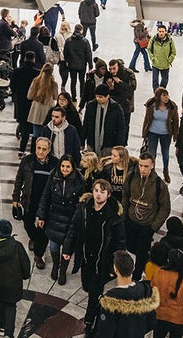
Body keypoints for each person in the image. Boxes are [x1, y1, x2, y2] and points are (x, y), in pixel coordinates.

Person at [63, 179, 126, 325]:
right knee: (86, 285)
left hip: (102, 261)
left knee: (94, 291)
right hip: (86, 257)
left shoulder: (114, 218)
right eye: (96, 191)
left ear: (108, 195)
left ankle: (90, 319)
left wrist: (113, 267)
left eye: (102, 192)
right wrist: (67, 249)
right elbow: (73, 229)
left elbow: (120, 244)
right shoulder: (83, 209)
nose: (98, 195)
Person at [37, 154, 86, 284]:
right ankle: (55, 265)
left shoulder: (79, 180)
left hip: (70, 220)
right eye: (63, 166)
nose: (64, 169)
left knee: (67, 249)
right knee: (53, 246)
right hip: (54, 217)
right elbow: (46, 195)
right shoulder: (54, 176)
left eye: (67, 166)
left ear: (72, 167)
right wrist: (41, 215)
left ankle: (63, 270)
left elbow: (82, 202)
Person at [122, 152, 171, 280]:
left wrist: (153, 227)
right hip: (131, 221)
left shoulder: (159, 185)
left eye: (146, 166)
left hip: (146, 226)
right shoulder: (131, 177)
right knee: (129, 247)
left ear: (152, 166)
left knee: (141, 253)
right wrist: (124, 216)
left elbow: (165, 208)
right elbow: (125, 196)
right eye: (141, 165)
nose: (143, 169)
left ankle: (137, 275)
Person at [13, 137, 57, 269]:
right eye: (39, 148)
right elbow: (19, 178)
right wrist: (15, 198)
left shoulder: (55, 163)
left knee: (43, 230)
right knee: (27, 224)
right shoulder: (28, 161)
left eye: (44, 149)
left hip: (46, 203)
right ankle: (34, 238)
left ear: (49, 150)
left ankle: (39, 254)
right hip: (29, 200)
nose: (41, 151)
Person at [142, 87, 179, 183]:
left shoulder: (172, 106)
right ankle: (151, 172)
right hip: (152, 132)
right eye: (164, 95)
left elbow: (176, 121)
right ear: (159, 97)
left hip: (166, 134)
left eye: (167, 95)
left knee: (165, 154)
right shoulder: (151, 105)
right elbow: (147, 119)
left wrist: (175, 134)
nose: (167, 98)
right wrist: (144, 132)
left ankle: (165, 171)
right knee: (152, 154)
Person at [82, 85, 126, 156]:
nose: (98, 99)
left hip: (108, 144)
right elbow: (86, 124)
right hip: (92, 143)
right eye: (96, 96)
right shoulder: (91, 105)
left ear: (107, 96)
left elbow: (121, 129)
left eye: (100, 97)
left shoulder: (116, 108)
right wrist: (82, 141)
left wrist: (119, 146)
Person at [11, 51, 40, 154]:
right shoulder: (37, 73)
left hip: (20, 101)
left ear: (24, 59)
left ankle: (22, 148)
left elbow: (12, 86)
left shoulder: (17, 71)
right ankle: (29, 149)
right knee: (30, 125)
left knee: (23, 123)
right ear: (34, 59)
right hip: (32, 103)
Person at [27, 63, 59, 151]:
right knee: (46, 135)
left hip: (36, 112)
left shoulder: (36, 81)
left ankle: (34, 152)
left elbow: (29, 96)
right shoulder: (54, 84)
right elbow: (56, 97)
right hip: (48, 112)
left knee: (35, 134)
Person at [108, 59, 137, 137]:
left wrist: (120, 82)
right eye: (110, 69)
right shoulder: (110, 75)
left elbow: (132, 87)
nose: (112, 71)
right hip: (114, 105)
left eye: (114, 68)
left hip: (126, 105)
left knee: (124, 126)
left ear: (118, 66)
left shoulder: (128, 73)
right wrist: (111, 88)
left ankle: (123, 144)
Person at [63, 24, 92, 99]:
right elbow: (88, 54)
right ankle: (82, 95)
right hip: (82, 65)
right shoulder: (85, 41)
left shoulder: (68, 40)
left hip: (72, 64)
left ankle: (73, 97)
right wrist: (90, 66)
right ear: (81, 30)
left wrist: (67, 61)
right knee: (82, 81)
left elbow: (65, 52)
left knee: (73, 81)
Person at [148, 25, 177, 92]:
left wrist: (169, 60)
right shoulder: (153, 39)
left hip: (165, 64)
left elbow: (173, 52)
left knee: (165, 80)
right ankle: (156, 94)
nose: (161, 33)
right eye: (159, 31)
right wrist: (152, 58)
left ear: (165, 32)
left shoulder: (170, 40)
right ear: (157, 31)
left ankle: (160, 92)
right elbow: (149, 49)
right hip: (156, 64)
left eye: (162, 31)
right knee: (155, 81)